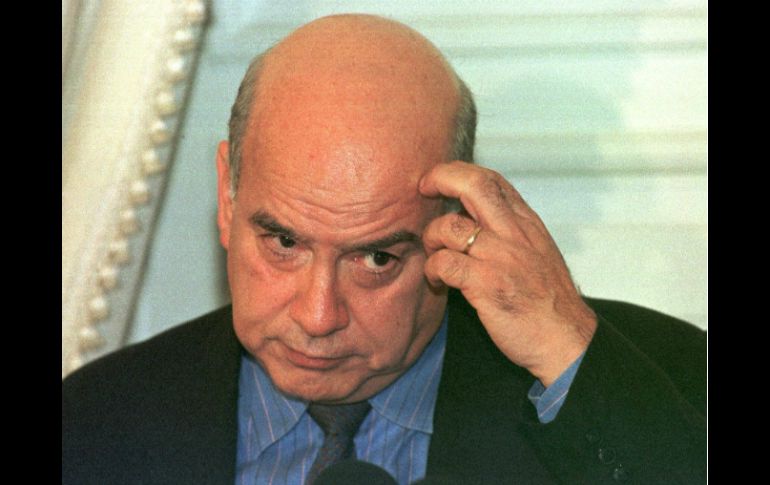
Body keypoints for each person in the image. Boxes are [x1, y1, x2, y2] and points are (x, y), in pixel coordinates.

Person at [62, 13, 706, 484]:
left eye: (376, 259)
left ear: (457, 226)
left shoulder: (665, 390)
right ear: (228, 198)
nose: (318, 317)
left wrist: (571, 358)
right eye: (283, 242)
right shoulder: (93, 426)